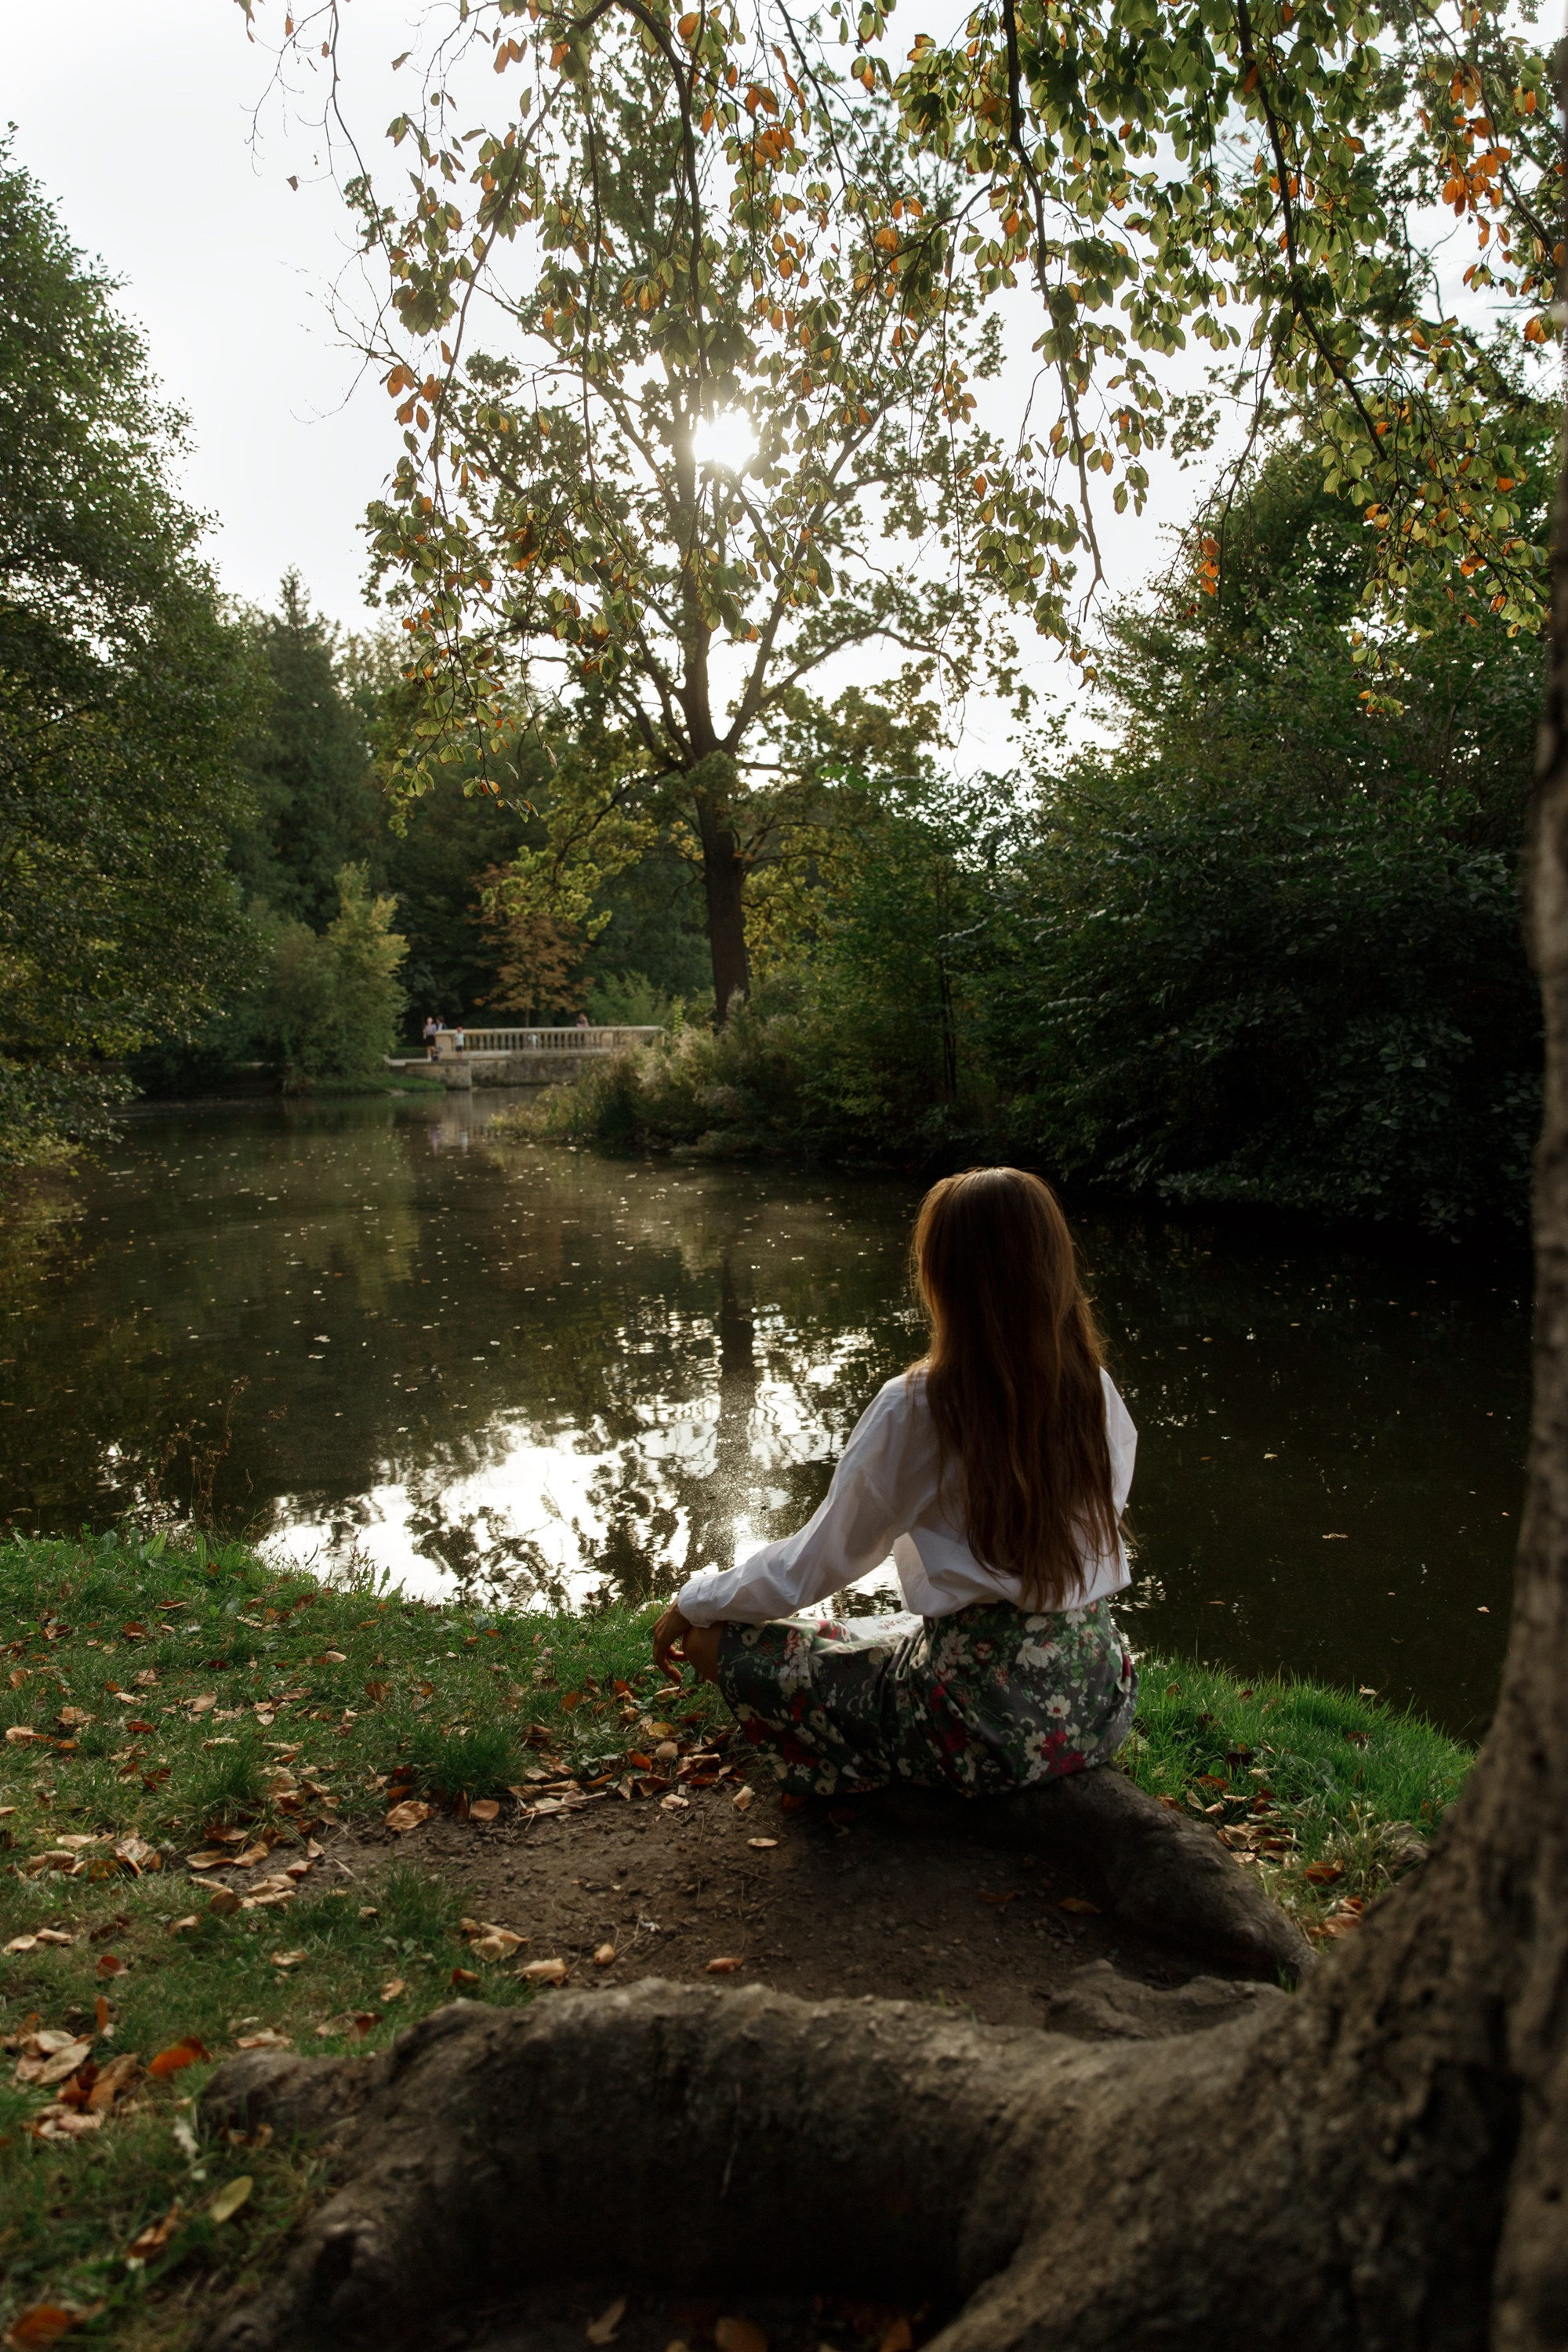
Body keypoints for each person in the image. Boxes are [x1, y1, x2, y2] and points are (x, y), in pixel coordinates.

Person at [652, 1167, 1138, 1798]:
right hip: (1099, 1699)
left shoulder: (917, 1405)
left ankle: (904, 1774)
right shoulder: (1092, 1388)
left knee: (713, 1644)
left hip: (975, 1723)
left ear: (945, 1279)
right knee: (881, 1633)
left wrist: (695, 1600)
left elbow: (815, 1562)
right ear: (1054, 1268)